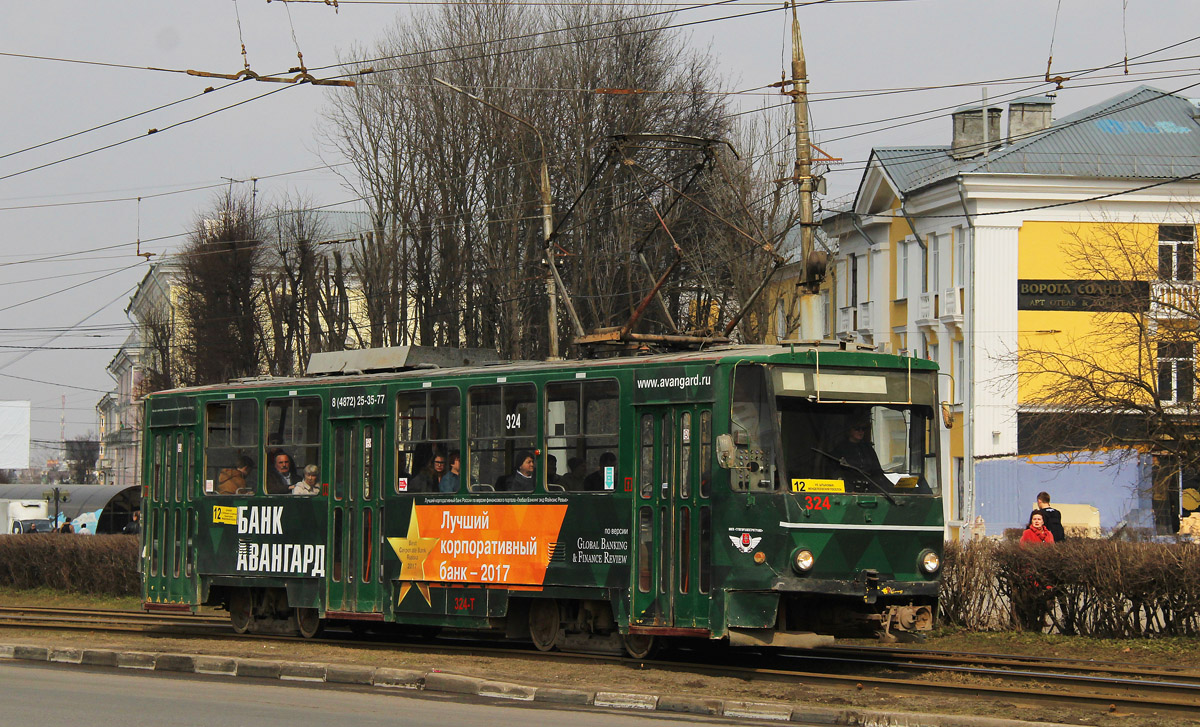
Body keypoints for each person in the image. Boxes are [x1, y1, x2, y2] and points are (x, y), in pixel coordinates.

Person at [831, 415, 886, 490]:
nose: (861, 432)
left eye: (863, 429)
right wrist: (848, 489)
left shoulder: (868, 449)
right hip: (849, 489)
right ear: (849, 430)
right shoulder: (840, 449)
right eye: (857, 429)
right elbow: (837, 473)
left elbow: (877, 471)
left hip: (870, 489)